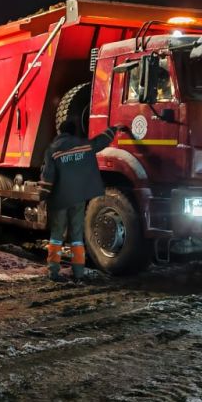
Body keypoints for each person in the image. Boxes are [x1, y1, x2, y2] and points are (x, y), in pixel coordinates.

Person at [39, 120, 122, 283]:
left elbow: (47, 179)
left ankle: (53, 272)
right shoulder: (84, 145)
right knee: (77, 236)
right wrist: (113, 129)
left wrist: (42, 197)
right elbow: (100, 141)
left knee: (57, 235)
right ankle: (78, 273)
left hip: (60, 198)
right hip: (78, 197)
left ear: (60, 132)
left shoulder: (52, 149)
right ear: (73, 132)